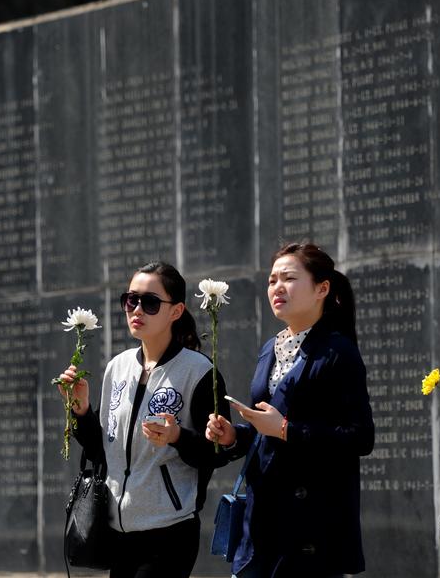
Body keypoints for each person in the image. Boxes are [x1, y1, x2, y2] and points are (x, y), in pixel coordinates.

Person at [206, 242, 375, 578]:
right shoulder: (271, 347)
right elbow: (262, 432)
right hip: (263, 516)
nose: (277, 287)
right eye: (271, 280)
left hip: (310, 524)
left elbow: (361, 437)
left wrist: (287, 430)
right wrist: (233, 437)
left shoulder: (338, 351)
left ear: (322, 289)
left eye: (289, 278)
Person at [58, 261, 232, 578]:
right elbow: (103, 452)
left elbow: (216, 454)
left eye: (150, 302)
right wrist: (81, 411)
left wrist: (177, 437)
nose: (137, 309)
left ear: (176, 311)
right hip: (116, 531)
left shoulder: (199, 372)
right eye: (131, 299)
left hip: (169, 532)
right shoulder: (116, 367)